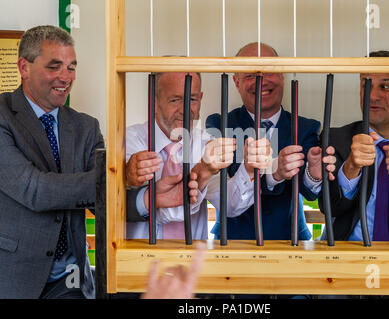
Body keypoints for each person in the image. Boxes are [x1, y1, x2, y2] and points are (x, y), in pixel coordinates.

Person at [0, 25, 104, 298]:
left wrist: (146, 197)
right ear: (24, 67)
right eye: (54, 66)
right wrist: (114, 177)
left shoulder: (86, 127)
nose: (66, 77)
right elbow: (34, 190)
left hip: (70, 283)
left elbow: (105, 198)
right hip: (12, 279)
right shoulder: (2, 116)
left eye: (71, 67)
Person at [206, 42, 336, 241]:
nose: (261, 81)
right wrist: (273, 173)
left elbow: (309, 192)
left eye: (269, 71)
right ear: (236, 82)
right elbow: (222, 190)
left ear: (282, 76)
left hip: (292, 244)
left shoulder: (306, 128)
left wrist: (313, 174)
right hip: (231, 244)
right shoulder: (220, 124)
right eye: (249, 75)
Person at [126, 72, 272, 239]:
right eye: (175, 100)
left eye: (192, 99)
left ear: (201, 99)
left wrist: (250, 170)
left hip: (193, 262)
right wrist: (203, 170)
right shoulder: (130, 141)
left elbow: (229, 205)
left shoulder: (206, 143)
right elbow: (162, 210)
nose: (185, 109)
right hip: (138, 259)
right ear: (154, 100)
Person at [320, 50, 389, 242]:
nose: (372, 96)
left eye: (385, 86)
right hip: (347, 257)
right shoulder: (336, 138)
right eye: (367, 85)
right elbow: (328, 206)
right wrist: (350, 169)